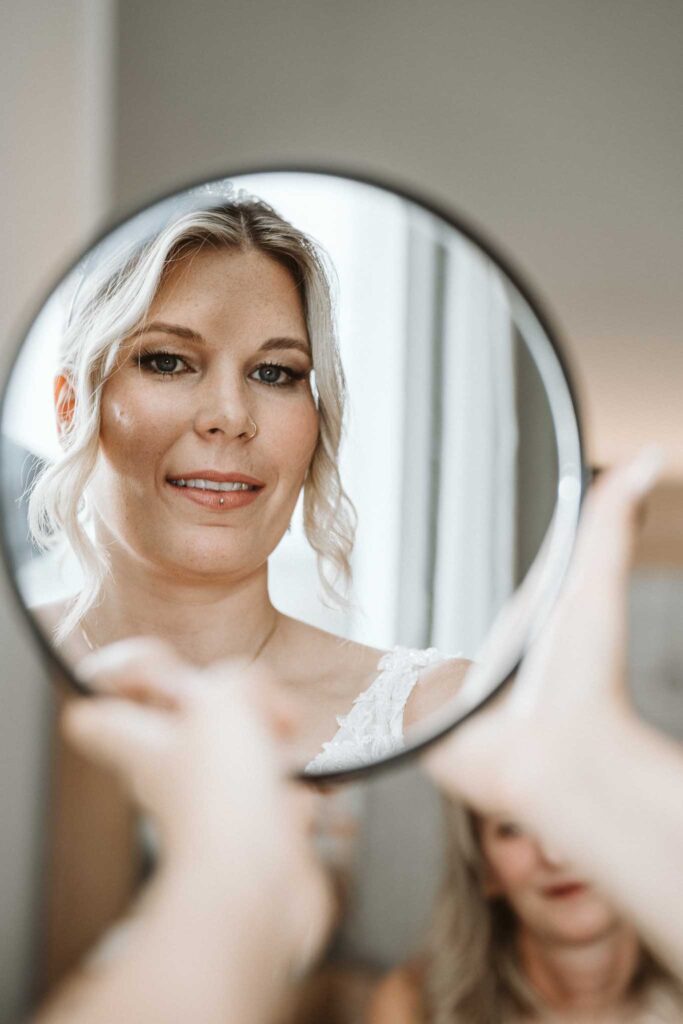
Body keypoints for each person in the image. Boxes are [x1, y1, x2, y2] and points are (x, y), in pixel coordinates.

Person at [29, 195, 468, 773]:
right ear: (71, 408)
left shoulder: (436, 712)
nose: (231, 416)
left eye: (274, 373)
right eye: (168, 361)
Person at [370, 799, 683, 1021]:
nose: (555, 856)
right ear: (484, 870)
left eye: (583, 813)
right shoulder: (413, 1006)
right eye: (513, 828)